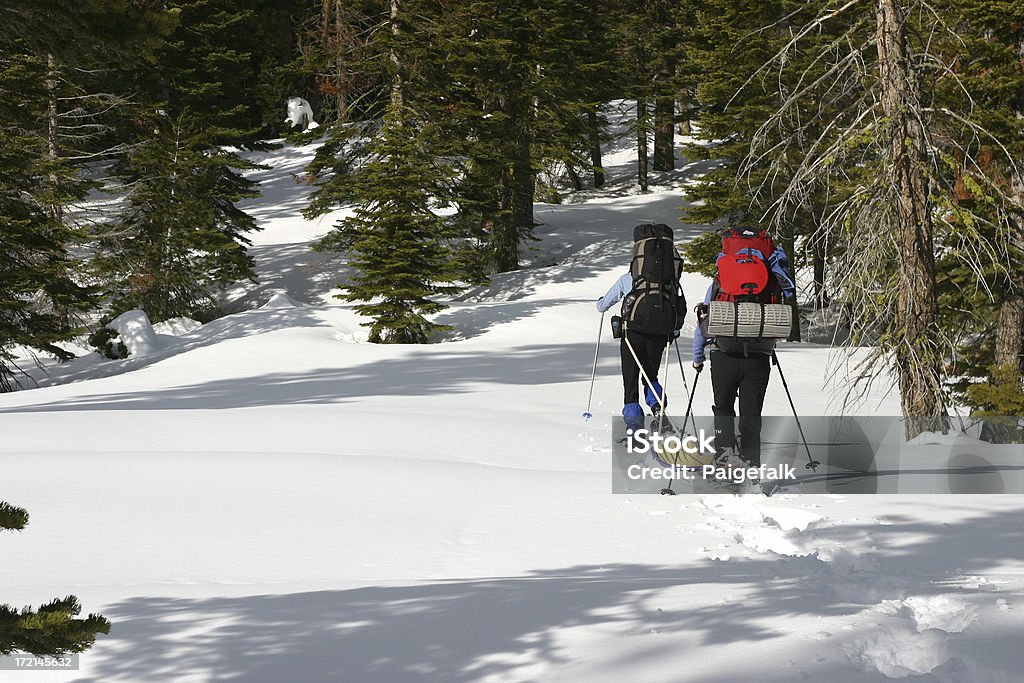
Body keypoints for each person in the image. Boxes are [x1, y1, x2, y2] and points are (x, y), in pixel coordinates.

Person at [692, 227, 796, 468]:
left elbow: (704, 321)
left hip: (723, 354)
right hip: (758, 357)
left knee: (724, 409)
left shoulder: (722, 280)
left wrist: (698, 357)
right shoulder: (769, 278)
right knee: (751, 414)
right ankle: (751, 465)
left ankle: (724, 459)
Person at [597, 224, 685, 440]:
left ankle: (635, 429)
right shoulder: (668, 281)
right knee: (651, 375)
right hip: (659, 332)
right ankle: (658, 412)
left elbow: (602, 306)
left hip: (632, 333)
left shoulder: (630, 279)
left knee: (631, 380)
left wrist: (601, 303)